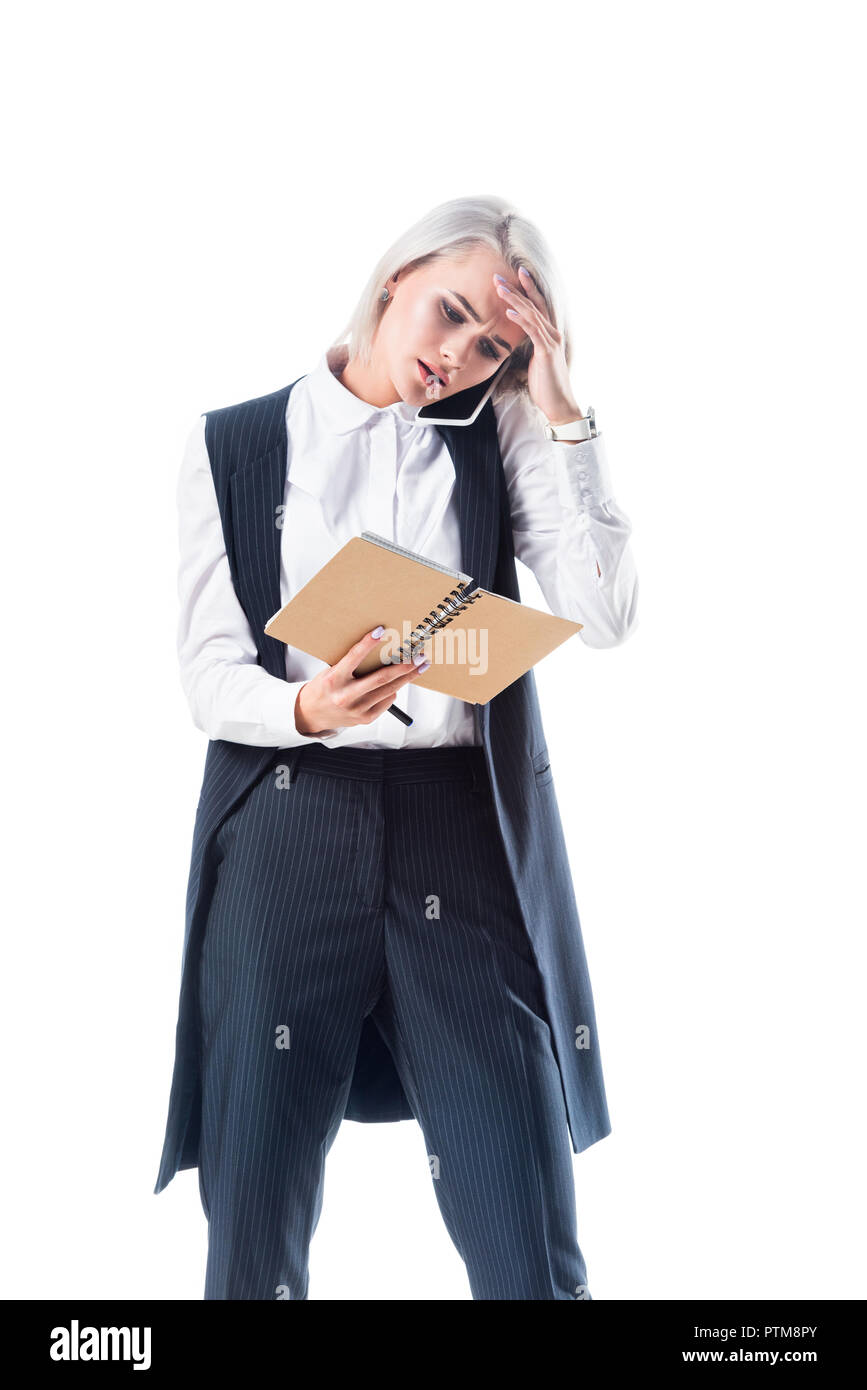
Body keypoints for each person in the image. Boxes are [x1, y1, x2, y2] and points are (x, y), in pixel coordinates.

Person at [154, 194, 639, 1300]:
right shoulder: (231, 444)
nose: (459, 358)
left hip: (456, 834)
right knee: (252, 1222)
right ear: (391, 283)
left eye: (493, 348)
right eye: (450, 315)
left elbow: (605, 613)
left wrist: (562, 408)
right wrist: (307, 709)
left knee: (525, 1229)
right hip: (286, 824)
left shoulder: (504, 436)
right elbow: (208, 670)